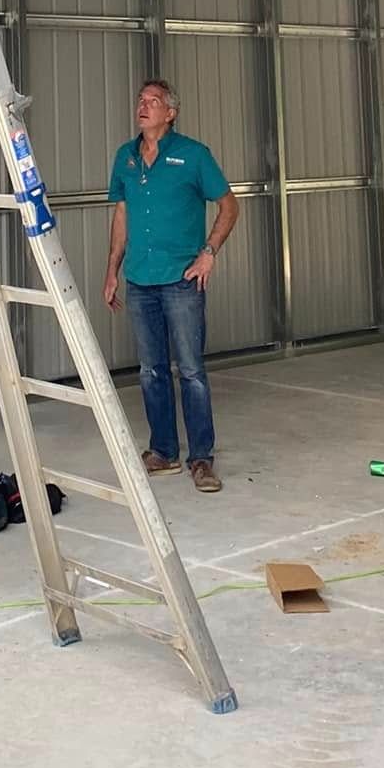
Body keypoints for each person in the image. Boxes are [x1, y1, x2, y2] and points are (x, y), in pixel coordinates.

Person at [103, 78, 240, 494]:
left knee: (191, 371)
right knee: (151, 371)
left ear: (171, 113)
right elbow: (122, 217)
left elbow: (230, 205)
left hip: (181, 280)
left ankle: (201, 459)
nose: (143, 106)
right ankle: (163, 451)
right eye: (140, 100)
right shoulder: (126, 158)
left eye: (153, 102)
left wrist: (208, 253)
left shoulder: (194, 156)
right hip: (140, 280)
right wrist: (112, 270)